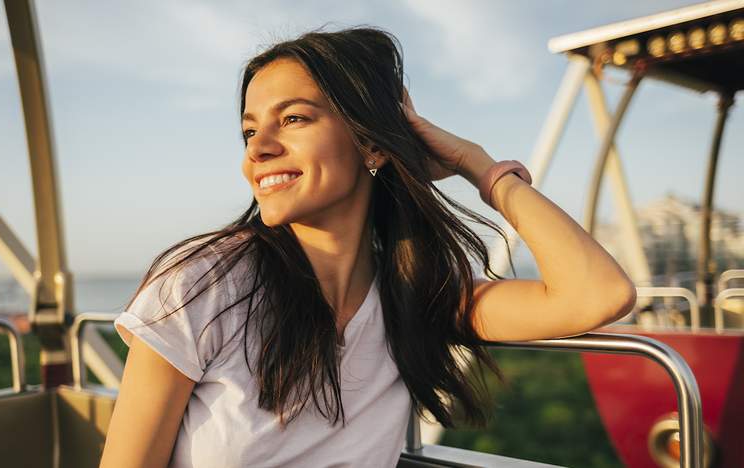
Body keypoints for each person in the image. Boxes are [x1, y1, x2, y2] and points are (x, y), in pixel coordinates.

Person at [99, 26, 636, 468]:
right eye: (248, 131)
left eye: (292, 119)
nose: (258, 149)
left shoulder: (416, 297)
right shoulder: (205, 283)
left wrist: (478, 164)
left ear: (371, 141)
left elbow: (599, 294)